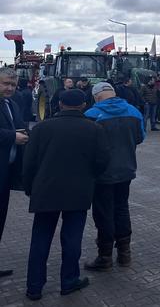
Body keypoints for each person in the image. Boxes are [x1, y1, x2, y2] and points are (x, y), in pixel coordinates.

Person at [22, 89, 109, 300]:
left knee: (40, 238)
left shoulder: (42, 128)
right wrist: (90, 178)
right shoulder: (94, 129)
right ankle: (69, 281)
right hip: (78, 192)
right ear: (84, 105)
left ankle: (34, 287)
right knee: (72, 239)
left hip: (46, 191)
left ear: (60, 104)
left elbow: (29, 163)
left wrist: (29, 187)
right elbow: (102, 161)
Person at [83, 82, 145, 270]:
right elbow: (140, 137)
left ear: (97, 97)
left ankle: (105, 257)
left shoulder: (91, 115)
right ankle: (125, 254)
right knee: (121, 208)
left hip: (101, 173)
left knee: (103, 213)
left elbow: (85, 146)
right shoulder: (134, 112)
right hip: (126, 170)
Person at [0, 67, 29, 277]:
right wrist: (12, 137)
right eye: (5, 84)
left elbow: (18, 126)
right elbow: (10, 134)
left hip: (7, 172)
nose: (10, 88)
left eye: (12, 84)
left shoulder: (12, 104)